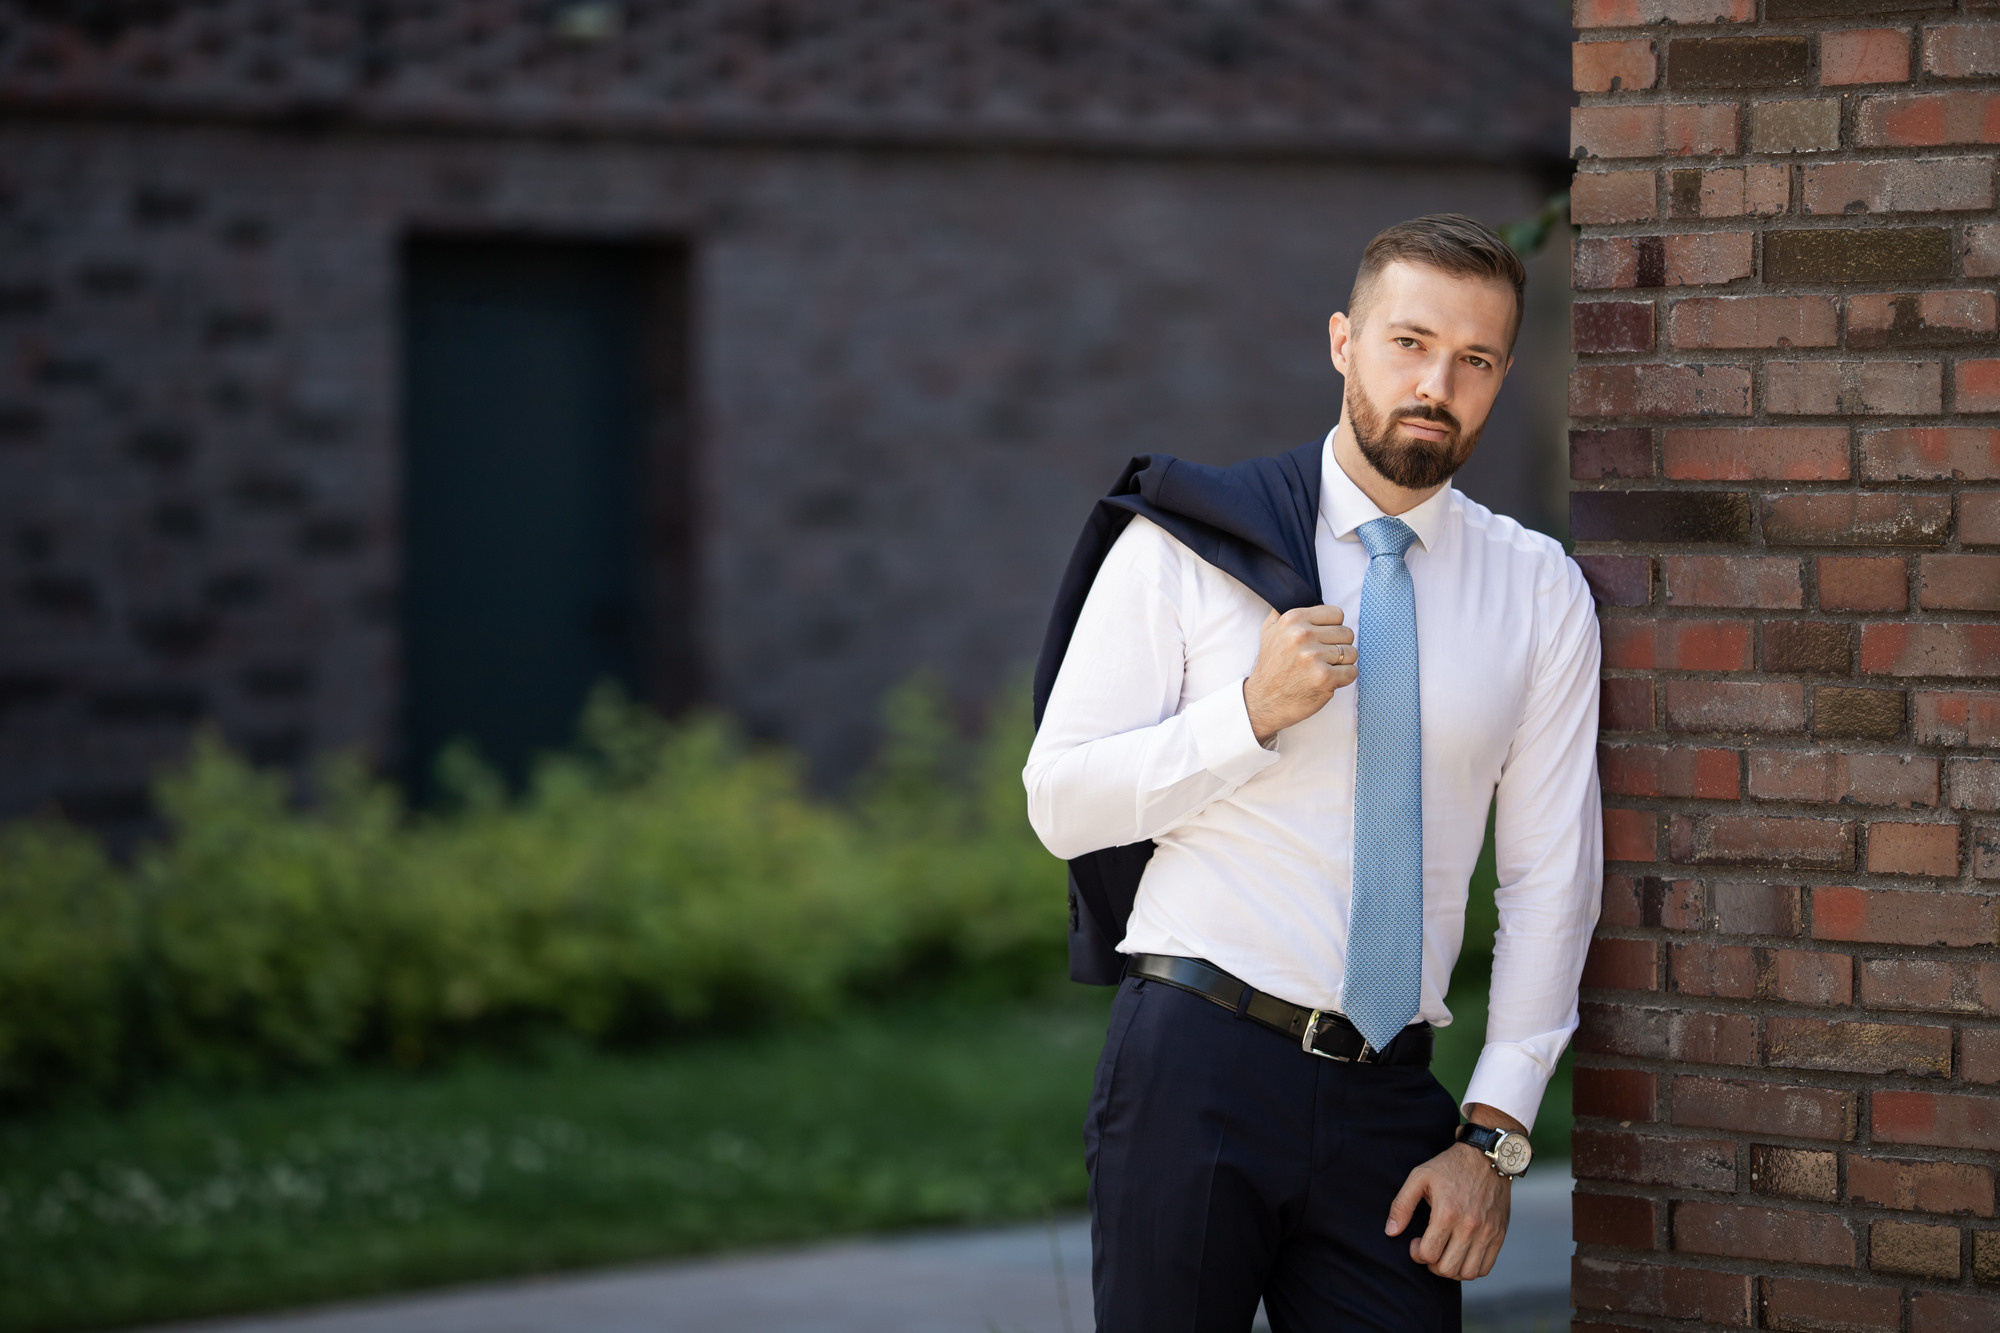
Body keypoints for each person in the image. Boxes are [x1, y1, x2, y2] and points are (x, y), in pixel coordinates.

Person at [1023, 213, 1602, 1333]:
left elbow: (1549, 882)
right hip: (1197, 1065)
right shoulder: (1192, 546)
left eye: (1472, 359)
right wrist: (1246, 714)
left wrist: (1491, 1133)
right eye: (1407, 342)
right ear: (1342, 341)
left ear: (1501, 376)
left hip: (1392, 1097)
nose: (1435, 383)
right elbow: (1059, 803)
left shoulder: (1536, 590)